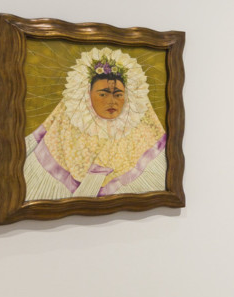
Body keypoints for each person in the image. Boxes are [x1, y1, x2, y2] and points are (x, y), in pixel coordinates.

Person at [22, 47, 167, 201]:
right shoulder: (65, 130)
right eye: (103, 94)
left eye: (118, 95)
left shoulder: (141, 134)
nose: (112, 102)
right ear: (87, 94)